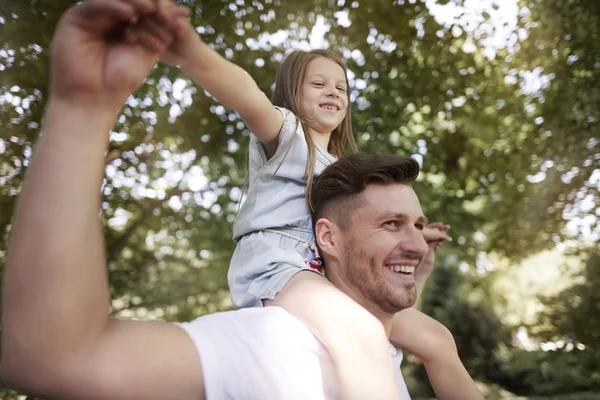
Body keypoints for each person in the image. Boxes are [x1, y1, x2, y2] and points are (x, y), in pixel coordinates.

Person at [1, 1, 483, 399]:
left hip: (321, 271)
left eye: (341, 87)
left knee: (438, 340)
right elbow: (246, 95)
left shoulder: (340, 164)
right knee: (357, 336)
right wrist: (193, 54)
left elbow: (367, 244)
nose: (333, 93)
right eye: (318, 84)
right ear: (293, 92)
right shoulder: (287, 133)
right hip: (280, 262)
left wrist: (411, 240)